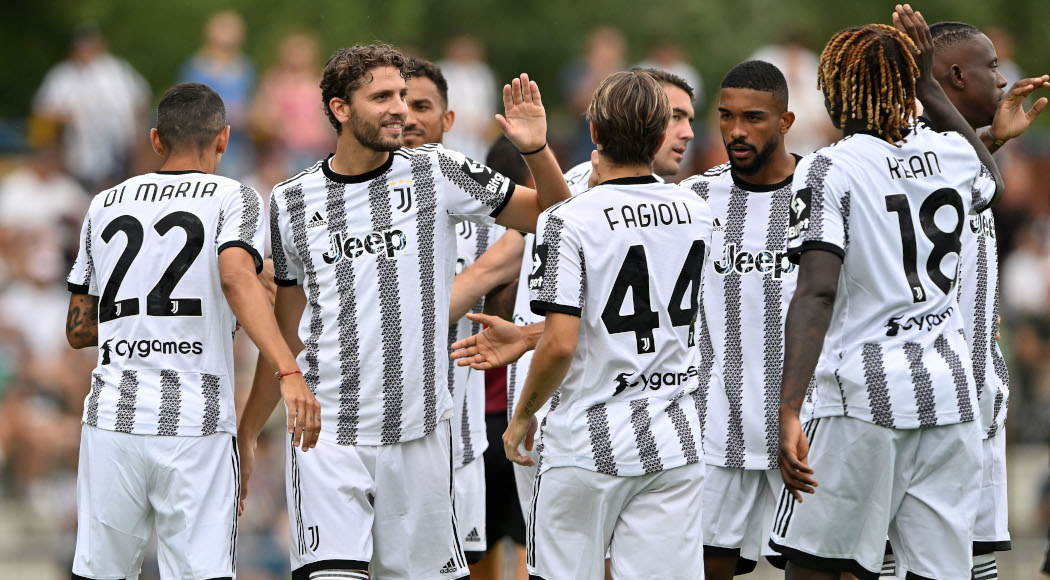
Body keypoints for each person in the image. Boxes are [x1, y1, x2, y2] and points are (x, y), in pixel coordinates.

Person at [236, 44, 570, 580]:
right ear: (340, 109)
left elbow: (551, 216)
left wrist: (537, 151)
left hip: (419, 437)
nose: (400, 109)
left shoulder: (436, 170)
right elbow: (287, 329)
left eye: (405, 96)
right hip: (329, 437)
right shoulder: (291, 201)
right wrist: (251, 430)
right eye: (383, 97)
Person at [771, 7, 1005, 579]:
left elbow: (818, 292)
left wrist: (789, 406)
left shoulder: (831, 166)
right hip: (949, 400)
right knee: (936, 571)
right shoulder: (953, 155)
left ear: (839, 90)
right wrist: (927, 84)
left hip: (861, 400)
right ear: (910, 88)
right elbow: (991, 182)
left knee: (813, 566)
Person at [64, 82, 319, 580]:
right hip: (195, 425)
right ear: (223, 139)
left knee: (99, 573)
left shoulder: (104, 203)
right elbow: (234, 276)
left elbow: (77, 330)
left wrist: (144, 319)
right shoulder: (235, 196)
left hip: (111, 419)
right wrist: (286, 368)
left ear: (157, 141)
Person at [449, 68, 696, 527]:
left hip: (600, 429)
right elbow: (529, 250)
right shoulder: (586, 187)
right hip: (578, 414)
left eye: (689, 119)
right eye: (675, 116)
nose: (687, 132)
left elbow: (610, 312)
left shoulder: (685, 202)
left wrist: (526, 337)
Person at [502, 68, 711, 579]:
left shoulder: (569, 219)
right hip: (673, 439)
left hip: (585, 442)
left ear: (594, 133)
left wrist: (522, 416)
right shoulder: (698, 208)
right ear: (661, 133)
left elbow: (559, 345)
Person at [877, 20, 1047, 580]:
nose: (1002, 81)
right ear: (952, 75)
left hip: (974, 390)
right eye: (991, 67)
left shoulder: (958, 157)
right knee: (902, 561)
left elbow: (974, 182)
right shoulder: (903, 154)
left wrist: (993, 140)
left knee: (972, 559)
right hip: (917, 400)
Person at [677, 59, 800, 578]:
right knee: (704, 566)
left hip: (803, 427)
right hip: (716, 427)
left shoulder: (826, 192)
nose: (736, 131)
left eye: (753, 118)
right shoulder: (695, 198)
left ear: (786, 121)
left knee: (821, 566)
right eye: (726, 117)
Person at [402, 55, 496, 566]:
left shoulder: (488, 216)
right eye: (401, 104)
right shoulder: (344, 201)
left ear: (448, 119)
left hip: (459, 440)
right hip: (371, 435)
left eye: (423, 105)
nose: (410, 117)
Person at [33, 23, 150, 191]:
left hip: (121, 150)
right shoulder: (64, 75)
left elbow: (140, 99)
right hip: (78, 150)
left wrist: (138, 132)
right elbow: (42, 109)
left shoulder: (116, 69)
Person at [179, 10, 256, 178]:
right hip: (203, 141)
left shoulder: (245, 67)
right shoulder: (198, 65)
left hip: (237, 142)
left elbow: (252, 100)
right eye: (223, 29)